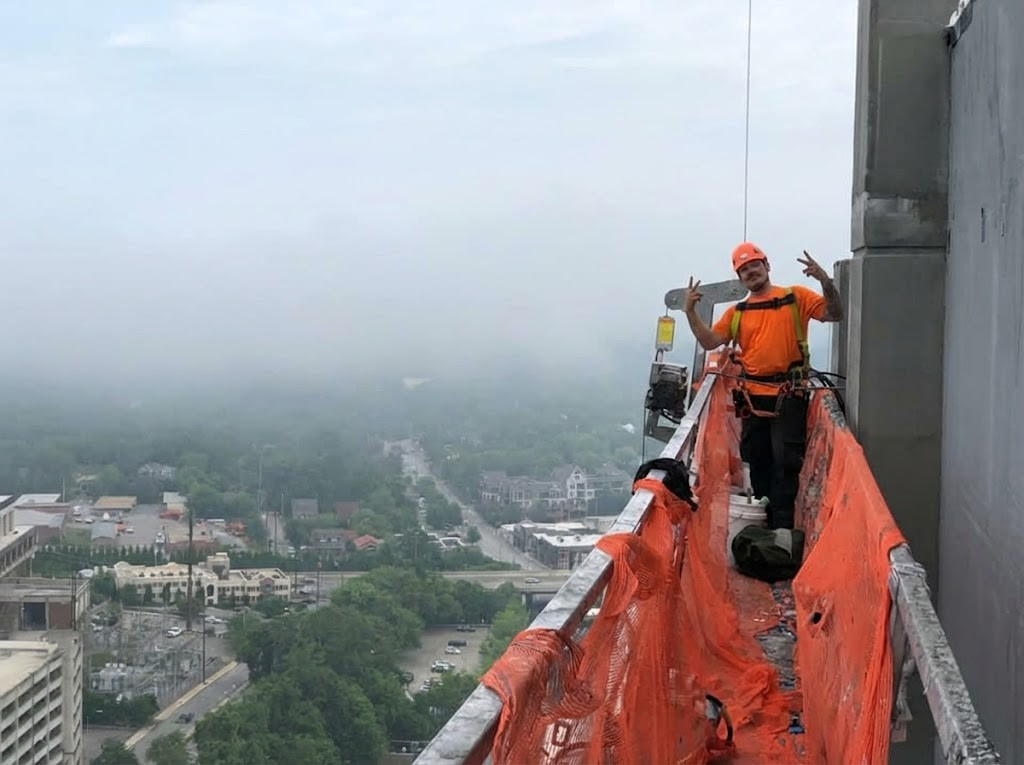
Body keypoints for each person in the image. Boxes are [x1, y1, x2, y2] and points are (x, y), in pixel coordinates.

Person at [683, 242, 844, 529]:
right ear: (740, 277)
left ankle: (782, 530)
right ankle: (761, 526)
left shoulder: (795, 297)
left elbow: (834, 314)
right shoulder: (738, 312)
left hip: (788, 395)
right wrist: (690, 313)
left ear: (766, 265)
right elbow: (710, 342)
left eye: (754, 265)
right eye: (743, 270)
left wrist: (825, 282)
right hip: (753, 398)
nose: (750, 272)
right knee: (757, 463)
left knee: (786, 464)